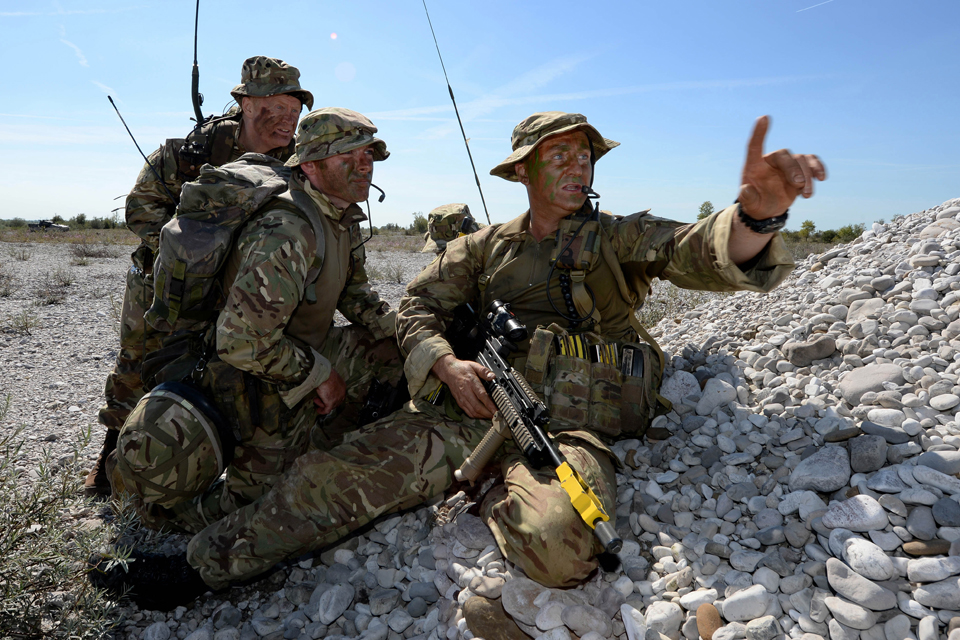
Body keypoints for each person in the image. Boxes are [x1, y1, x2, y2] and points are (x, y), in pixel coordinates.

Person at [91, 110, 823, 613]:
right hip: (464, 411)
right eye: (559, 155)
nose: (577, 166)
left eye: (585, 155)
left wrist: (755, 218)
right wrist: (444, 365)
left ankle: (492, 500)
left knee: (565, 551)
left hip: (568, 427)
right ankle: (194, 567)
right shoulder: (481, 248)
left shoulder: (615, 237)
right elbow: (412, 311)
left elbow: (693, 250)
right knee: (330, 484)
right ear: (525, 171)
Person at [108, 108, 404, 537]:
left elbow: (355, 296)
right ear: (311, 164)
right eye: (349, 155)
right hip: (246, 382)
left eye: (369, 155)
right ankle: (158, 513)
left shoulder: (342, 219)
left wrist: (414, 336)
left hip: (289, 358)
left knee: (387, 352)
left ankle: (322, 435)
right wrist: (320, 374)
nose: (364, 166)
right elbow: (241, 343)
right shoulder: (288, 230)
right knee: (266, 510)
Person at [86, 56, 314, 497]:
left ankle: (203, 458)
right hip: (163, 281)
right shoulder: (191, 153)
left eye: (295, 112)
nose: (289, 122)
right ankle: (111, 458)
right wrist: (187, 248)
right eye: (279, 109)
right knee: (138, 363)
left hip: (240, 286)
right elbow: (140, 208)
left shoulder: (298, 164)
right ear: (247, 105)